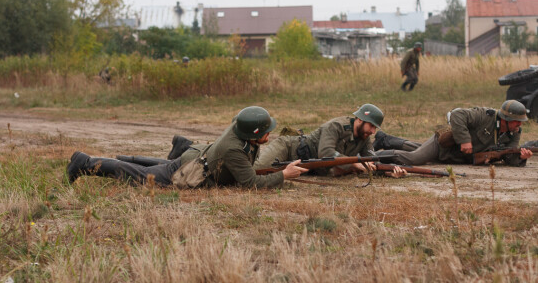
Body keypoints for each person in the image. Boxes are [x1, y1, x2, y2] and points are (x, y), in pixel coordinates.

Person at [66, 106, 308, 188]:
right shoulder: (234, 148)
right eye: (266, 132)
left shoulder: (239, 128)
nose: (270, 134)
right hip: (191, 168)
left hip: (196, 155)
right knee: (139, 176)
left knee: (157, 165)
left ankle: (167, 150)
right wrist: (283, 175)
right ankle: (84, 163)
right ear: (253, 135)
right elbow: (250, 184)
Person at [153, 104, 406, 177]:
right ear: (359, 119)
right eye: (371, 125)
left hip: (303, 164)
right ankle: (187, 149)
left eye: (376, 128)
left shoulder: (365, 137)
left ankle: (185, 153)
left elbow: (369, 159)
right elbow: (329, 155)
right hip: (288, 149)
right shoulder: (335, 127)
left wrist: (386, 170)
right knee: (255, 169)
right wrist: (354, 163)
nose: (373, 132)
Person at [374, 100, 533, 166]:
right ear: (505, 118)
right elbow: (457, 115)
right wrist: (465, 140)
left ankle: (385, 140)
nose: (519, 125)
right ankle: (372, 157)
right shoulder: (485, 116)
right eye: (516, 121)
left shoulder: (514, 132)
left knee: (421, 150)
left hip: (457, 156)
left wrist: (521, 157)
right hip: (446, 143)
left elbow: (509, 157)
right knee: (416, 158)